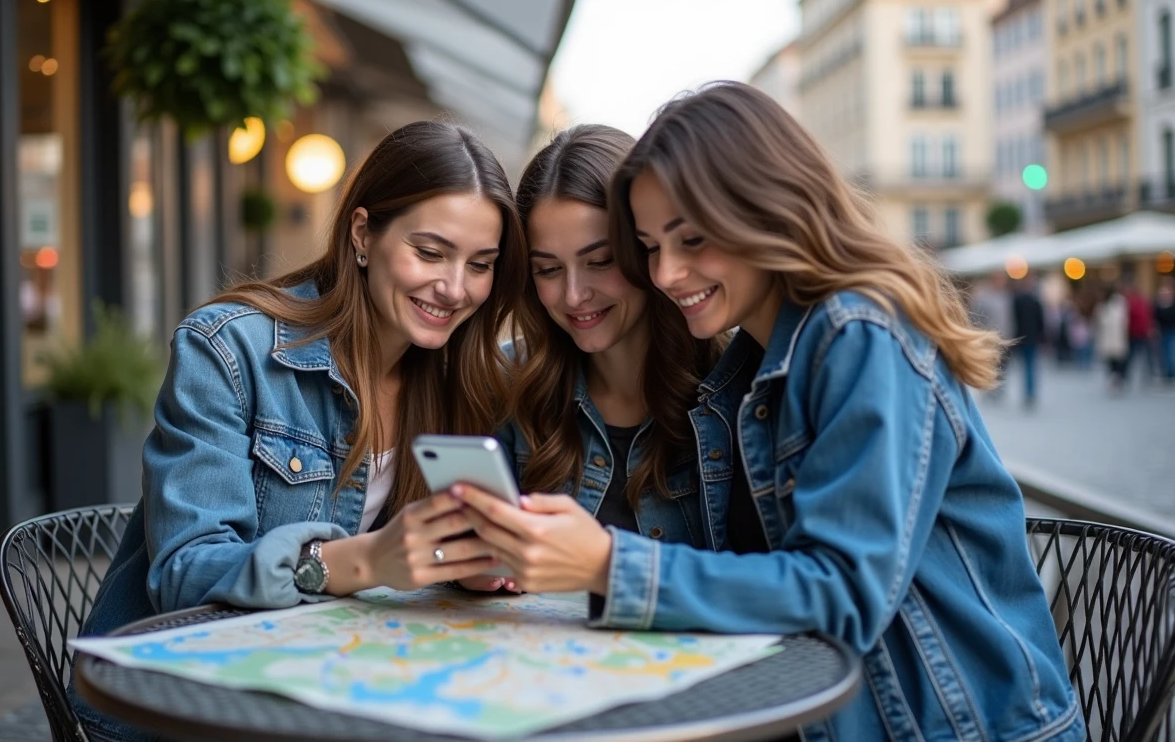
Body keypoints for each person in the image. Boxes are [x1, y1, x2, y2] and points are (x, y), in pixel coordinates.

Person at [456, 82, 1083, 742]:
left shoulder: (858, 335)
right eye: (651, 247)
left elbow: (841, 594)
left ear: (764, 211)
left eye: (692, 239)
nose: (667, 273)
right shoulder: (751, 368)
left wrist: (608, 563)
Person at [72, 120, 528, 741]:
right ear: (363, 234)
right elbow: (184, 576)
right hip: (188, 707)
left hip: (336, 689)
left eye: (481, 264)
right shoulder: (231, 349)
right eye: (430, 252)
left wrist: (460, 565)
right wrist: (360, 561)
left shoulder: (463, 377)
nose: (454, 288)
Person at [483, 125, 724, 595]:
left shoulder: (727, 385)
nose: (574, 295)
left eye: (600, 260)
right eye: (548, 269)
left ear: (646, 250)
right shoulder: (509, 381)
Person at [968, 272, 1011, 400]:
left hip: (1004, 335)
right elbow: (977, 317)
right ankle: (990, 388)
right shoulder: (984, 297)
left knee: (1003, 364)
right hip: (989, 336)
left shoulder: (1005, 295)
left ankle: (999, 388)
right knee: (990, 363)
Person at [1012, 274, 1046, 408]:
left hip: (1022, 337)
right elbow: (1040, 321)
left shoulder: (1018, 300)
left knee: (1026, 366)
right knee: (1030, 366)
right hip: (1032, 337)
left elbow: (1014, 320)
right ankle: (1030, 393)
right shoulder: (1034, 300)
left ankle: (1028, 393)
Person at [1096, 283, 1130, 391]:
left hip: (1117, 335)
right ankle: (1114, 378)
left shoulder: (1119, 302)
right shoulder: (1103, 305)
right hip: (1109, 336)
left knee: (1118, 358)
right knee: (1111, 358)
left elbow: (1123, 320)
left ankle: (1118, 378)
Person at [1153, 277, 1175, 382]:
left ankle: (1171, 371)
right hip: (1162, 331)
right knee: (1164, 352)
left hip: (1171, 330)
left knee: (1171, 351)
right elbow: (1155, 316)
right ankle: (1167, 371)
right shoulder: (1158, 304)